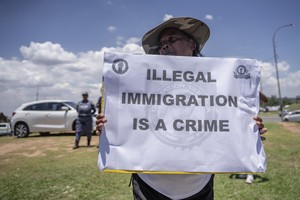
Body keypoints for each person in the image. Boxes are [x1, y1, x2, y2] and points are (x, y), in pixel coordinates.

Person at [96, 17, 267, 199]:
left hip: (198, 185)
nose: (164, 46)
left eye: (172, 40)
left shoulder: (220, 83)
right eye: (161, 43)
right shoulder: (139, 83)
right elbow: (127, 120)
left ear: (192, 44)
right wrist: (109, 127)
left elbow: (228, 123)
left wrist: (248, 132)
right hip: (149, 185)